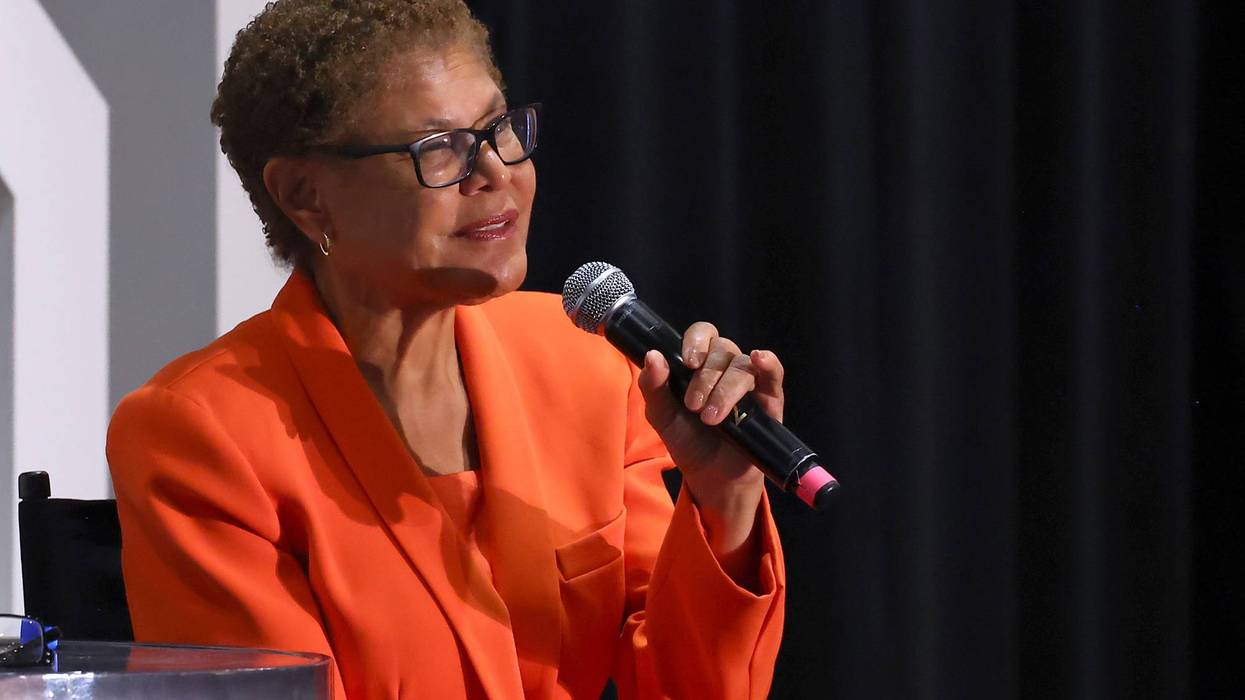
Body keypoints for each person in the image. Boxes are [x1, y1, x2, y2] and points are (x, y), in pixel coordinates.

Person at [106, 1, 787, 698]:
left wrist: (723, 499)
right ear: (305, 195)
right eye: (439, 148)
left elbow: (685, 685)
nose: (495, 172)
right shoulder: (201, 435)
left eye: (498, 130)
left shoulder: (584, 364)